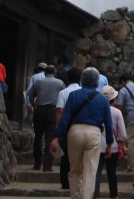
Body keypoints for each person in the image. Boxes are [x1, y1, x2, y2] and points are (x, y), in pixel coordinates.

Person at [52, 67, 113, 199]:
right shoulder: (103, 99)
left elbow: (65, 118)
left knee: (74, 170)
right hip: (94, 133)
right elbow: (108, 123)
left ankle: (75, 196)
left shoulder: (74, 95)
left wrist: (57, 136)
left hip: (75, 132)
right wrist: (109, 143)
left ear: (82, 81)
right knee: (90, 171)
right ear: (97, 83)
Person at [27, 64, 65, 171]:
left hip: (40, 110)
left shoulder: (38, 82)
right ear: (55, 72)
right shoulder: (60, 83)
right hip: (53, 111)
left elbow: (30, 96)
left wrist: (34, 106)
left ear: (44, 73)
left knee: (38, 136)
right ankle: (47, 165)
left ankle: (37, 163)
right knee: (50, 138)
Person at [93, 85, 127, 199]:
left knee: (96, 172)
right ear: (114, 99)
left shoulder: (96, 110)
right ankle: (114, 195)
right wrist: (122, 141)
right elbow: (122, 134)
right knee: (111, 173)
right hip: (112, 147)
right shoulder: (117, 112)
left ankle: (95, 195)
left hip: (96, 145)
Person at [56, 67, 81, 190]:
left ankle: (65, 183)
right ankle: (77, 183)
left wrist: (58, 129)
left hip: (66, 128)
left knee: (65, 156)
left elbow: (60, 112)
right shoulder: (82, 92)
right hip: (80, 127)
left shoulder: (63, 93)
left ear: (67, 78)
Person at [116, 73, 134, 172]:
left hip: (132, 117)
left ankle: (132, 166)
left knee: (132, 142)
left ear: (123, 81)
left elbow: (118, 108)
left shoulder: (123, 90)